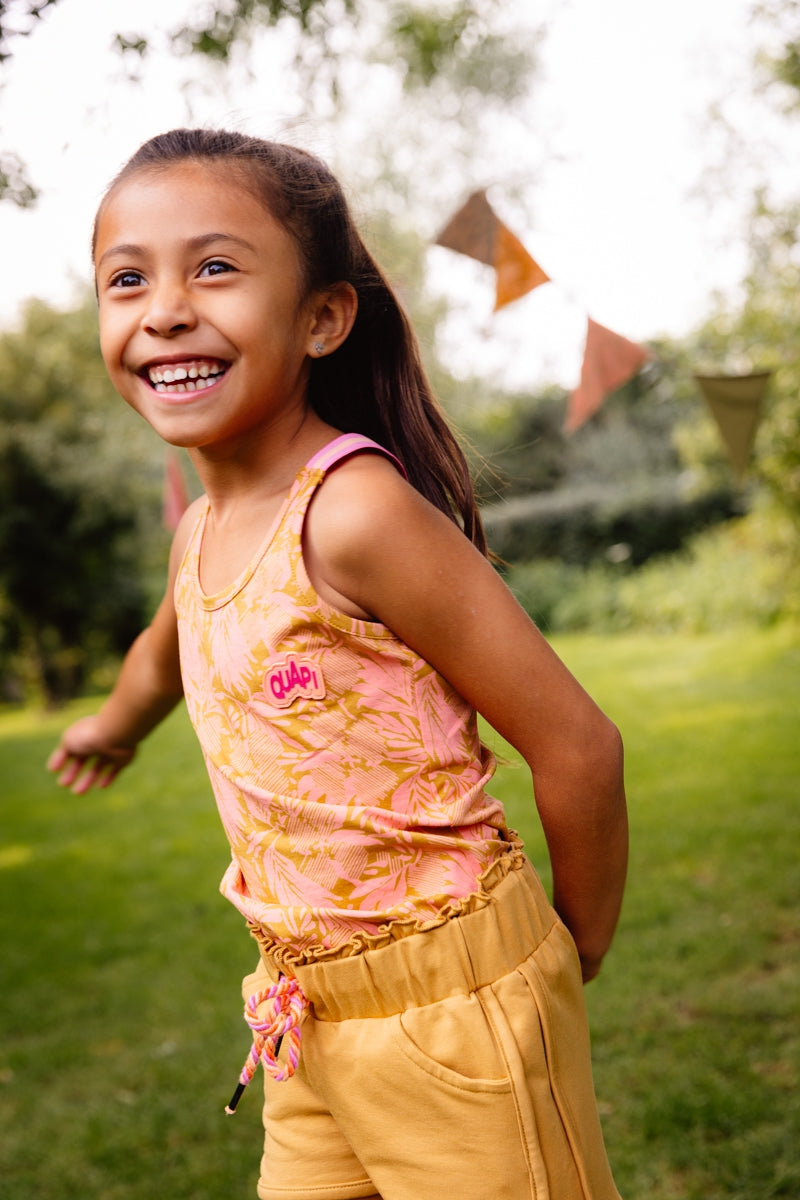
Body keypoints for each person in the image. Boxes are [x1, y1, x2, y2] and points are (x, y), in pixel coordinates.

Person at [48, 128, 628, 1200]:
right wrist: (110, 727)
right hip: (303, 1015)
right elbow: (164, 653)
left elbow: (577, 743)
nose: (164, 307)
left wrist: (571, 947)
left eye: (213, 267)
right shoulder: (203, 534)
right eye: (126, 280)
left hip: (457, 1014)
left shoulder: (353, 511)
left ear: (322, 317)